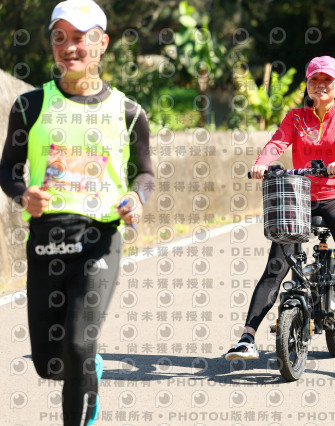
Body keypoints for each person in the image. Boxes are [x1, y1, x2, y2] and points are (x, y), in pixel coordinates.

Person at [0, 1, 153, 424]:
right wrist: (22, 195)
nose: (69, 47)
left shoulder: (128, 112)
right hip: (46, 241)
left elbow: (145, 173)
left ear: (102, 43)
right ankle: (90, 370)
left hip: (99, 240)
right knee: (51, 363)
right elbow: (7, 168)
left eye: (81, 37)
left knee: (80, 346)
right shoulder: (30, 106)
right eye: (59, 37)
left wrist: (137, 198)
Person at [225, 55, 335, 361]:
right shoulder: (296, 117)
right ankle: (247, 338)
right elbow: (277, 143)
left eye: (327, 80)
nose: (320, 85)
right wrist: (262, 163)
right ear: (307, 84)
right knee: (276, 266)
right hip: (301, 198)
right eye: (315, 80)